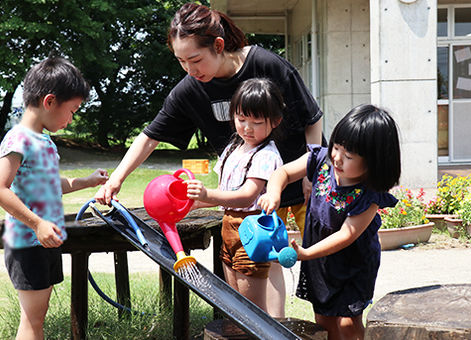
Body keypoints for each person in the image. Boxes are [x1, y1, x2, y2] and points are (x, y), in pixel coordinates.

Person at [95, 2, 324, 317]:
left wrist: (311, 175)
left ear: (219, 46)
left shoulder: (266, 64)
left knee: (323, 273)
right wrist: (116, 180)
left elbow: (312, 119)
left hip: (303, 184)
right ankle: (275, 327)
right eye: (181, 61)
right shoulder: (191, 89)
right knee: (262, 264)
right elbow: (150, 137)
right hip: (254, 203)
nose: (190, 69)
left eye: (195, 59)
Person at [0, 57, 109, 340]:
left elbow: (49, 185)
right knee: (33, 322)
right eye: (72, 110)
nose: (71, 119)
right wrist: (37, 223)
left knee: (35, 318)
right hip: (29, 241)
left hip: (43, 240)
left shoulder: (43, 140)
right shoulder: (18, 139)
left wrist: (87, 181)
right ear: (50, 101)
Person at [258, 104, 401, 340]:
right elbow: (282, 173)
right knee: (324, 320)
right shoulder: (320, 159)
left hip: (352, 264)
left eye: (349, 156)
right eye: (336, 147)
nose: (337, 157)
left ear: (375, 161)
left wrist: (306, 253)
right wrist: (274, 193)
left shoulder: (370, 195)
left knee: (347, 322)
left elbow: (346, 235)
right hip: (320, 263)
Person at [185, 78, 283, 313]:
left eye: (256, 122)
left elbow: (246, 196)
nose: (247, 127)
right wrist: (195, 203)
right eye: (241, 119)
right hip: (229, 227)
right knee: (236, 304)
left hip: (253, 229)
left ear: (275, 122)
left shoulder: (266, 155)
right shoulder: (232, 149)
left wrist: (207, 194)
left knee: (252, 309)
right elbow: (224, 193)